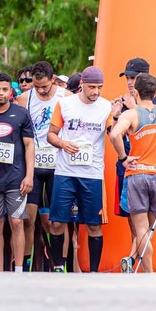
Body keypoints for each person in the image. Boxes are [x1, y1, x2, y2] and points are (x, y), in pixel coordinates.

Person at [109, 73, 156, 272]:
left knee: (141, 229)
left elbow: (114, 134)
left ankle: (149, 272)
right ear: (155, 92)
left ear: (136, 92)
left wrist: (123, 158)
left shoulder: (131, 114)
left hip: (137, 175)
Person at [47, 65, 111, 273]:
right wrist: (63, 144)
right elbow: (51, 134)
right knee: (57, 223)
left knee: (94, 225)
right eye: (92, 87)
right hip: (65, 172)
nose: (96, 92)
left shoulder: (106, 107)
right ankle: (58, 267)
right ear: (81, 84)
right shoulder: (65, 104)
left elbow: (114, 133)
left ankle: (93, 272)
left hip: (92, 173)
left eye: (99, 87)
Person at [0, 73, 35, 272]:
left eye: (5, 89)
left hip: (16, 178)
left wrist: (29, 175)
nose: (1, 93)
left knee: (17, 222)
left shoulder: (21, 113)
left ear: (11, 91)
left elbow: (29, 145)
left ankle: (18, 271)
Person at [18, 61, 59, 272]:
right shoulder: (24, 99)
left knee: (55, 222)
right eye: (37, 86)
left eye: (45, 86)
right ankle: (25, 264)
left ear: (53, 80)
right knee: (28, 219)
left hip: (57, 165)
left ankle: (58, 264)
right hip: (33, 165)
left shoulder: (66, 97)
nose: (41, 90)